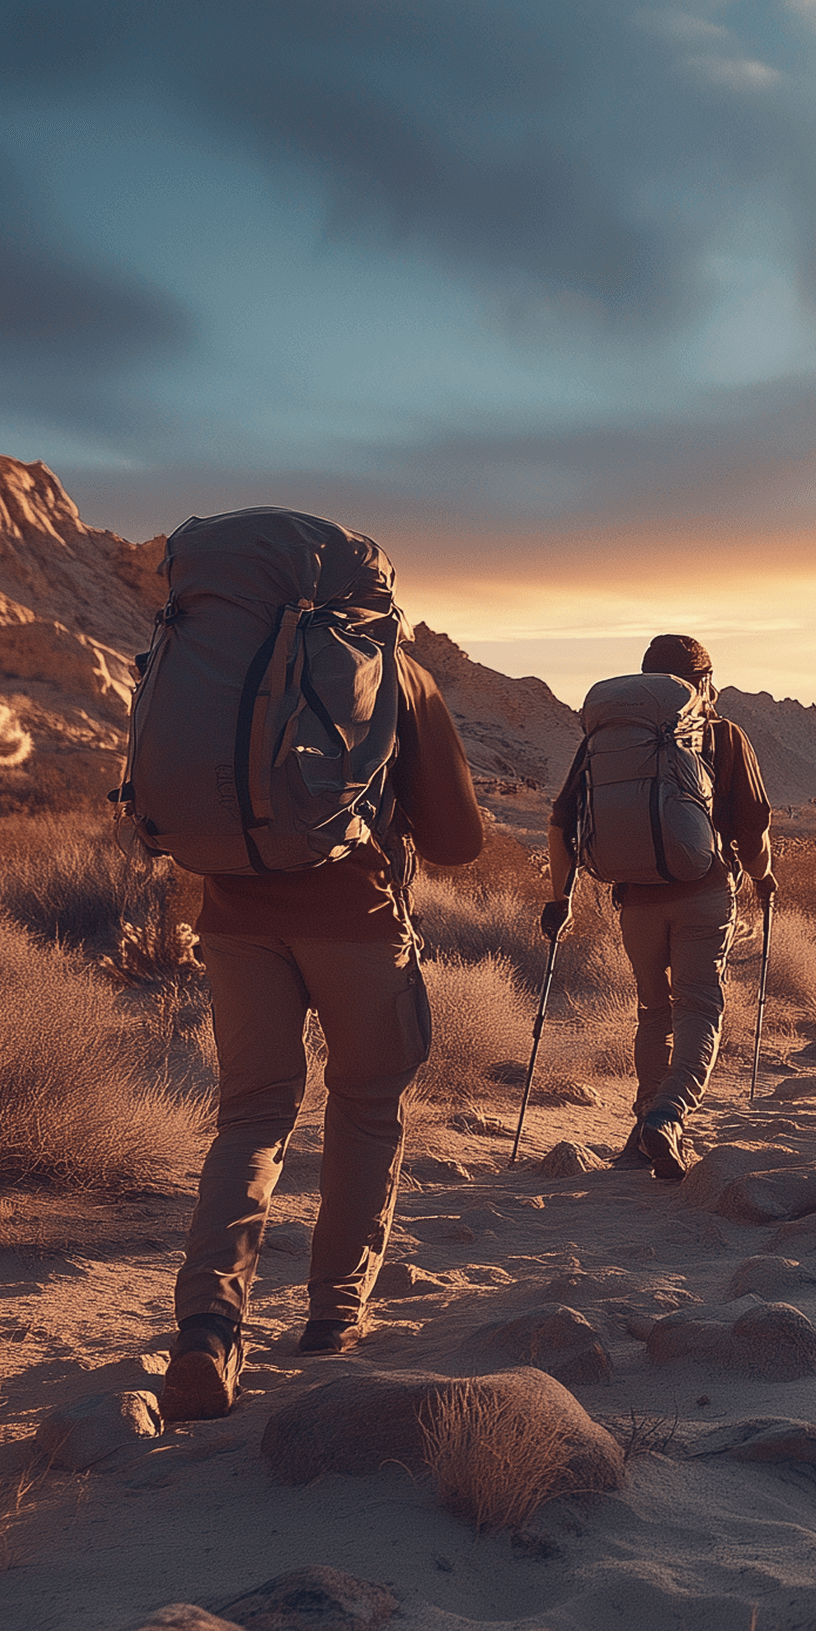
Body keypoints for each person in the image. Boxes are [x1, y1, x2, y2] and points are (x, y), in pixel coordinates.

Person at [161, 600, 488, 1422]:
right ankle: (333, 1314)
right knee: (368, 1105)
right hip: (355, 920)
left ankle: (207, 1325)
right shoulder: (394, 671)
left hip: (233, 919)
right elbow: (458, 840)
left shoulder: (214, 658)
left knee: (252, 1116)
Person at [543, 634, 774, 1178]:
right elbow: (753, 828)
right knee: (699, 1007)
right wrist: (763, 878)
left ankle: (642, 1124)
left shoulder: (610, 737)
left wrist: (561, 899)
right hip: (704, 891)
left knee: (654, 1012)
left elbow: (561, 822)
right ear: (704, 681)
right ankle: (668, 1117)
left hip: (634, 898)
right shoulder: (722, 734)